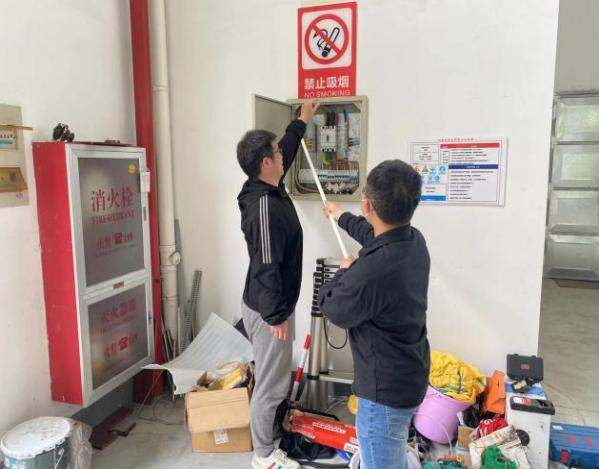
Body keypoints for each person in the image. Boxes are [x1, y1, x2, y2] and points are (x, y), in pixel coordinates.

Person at [318, 159, 431, 469]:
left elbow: (333, 307)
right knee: (391, 453)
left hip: (384, 396)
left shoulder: (371, 273)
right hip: (409, 374)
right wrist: (340, 216)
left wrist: (344, 271)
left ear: (367, 204)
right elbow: (374, 236)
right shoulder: (413, 241)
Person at [236, 101, 319, 469]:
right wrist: (275, 316)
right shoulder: (264, 207)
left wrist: (301, 121)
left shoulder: (266, 184)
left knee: (276, 380)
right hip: (268, 309)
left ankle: (271, 435)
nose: (283, 156)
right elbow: (266, 265)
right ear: (266, 163)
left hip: (275, 304)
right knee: (270, 385)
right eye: (277, 154)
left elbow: (285, 149)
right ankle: (264, 455)